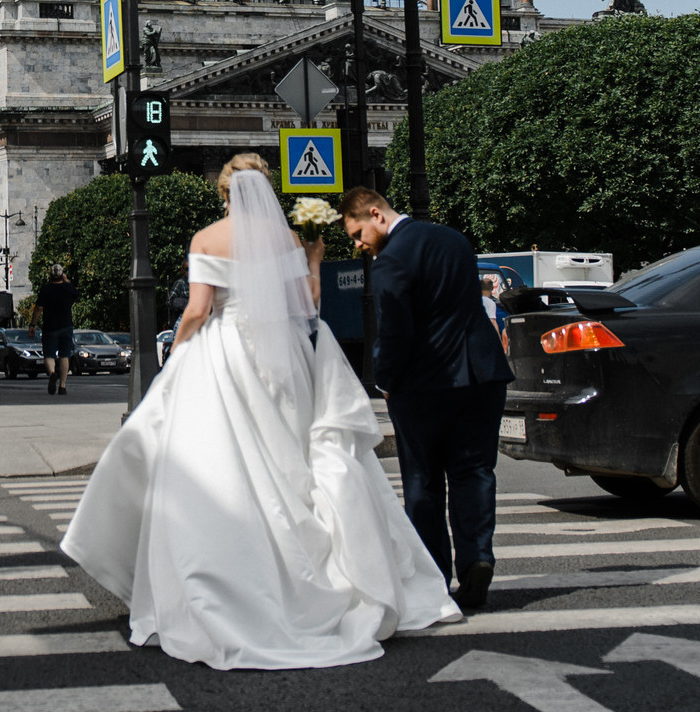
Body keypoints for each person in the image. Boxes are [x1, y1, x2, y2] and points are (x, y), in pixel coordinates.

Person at [63, 156, 460, 669]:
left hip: (224, 354)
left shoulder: (207, 238)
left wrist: (176, 353)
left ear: (224, 194)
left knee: (216, 464)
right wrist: (314, 257)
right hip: (285, 361)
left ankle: (224, 578)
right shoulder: (288, 240)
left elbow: (199, 310)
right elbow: (307, 305)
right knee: (293, 459)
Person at [344, 187, 511, 611]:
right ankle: (476, 560)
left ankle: (435, 576)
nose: (360, 245)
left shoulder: (391, 262)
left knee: (424, 481)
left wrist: (385, 378)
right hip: (482, 374)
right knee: (475, 470)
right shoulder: (454, 239)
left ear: (377, 214)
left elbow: (396, 333)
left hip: (424, 383)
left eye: (358, 233)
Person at [36, 265, 78, 395]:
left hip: (50, 327)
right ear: (62, 274)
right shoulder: (68, 288)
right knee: (64, 356)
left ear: (50, 275)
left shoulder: (46, 289)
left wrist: (32, 324)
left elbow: (38, 308)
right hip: (66, 326)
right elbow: (76, 295)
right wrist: (66, 282)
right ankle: (63, 386)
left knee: (49, 355)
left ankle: (53, 373)